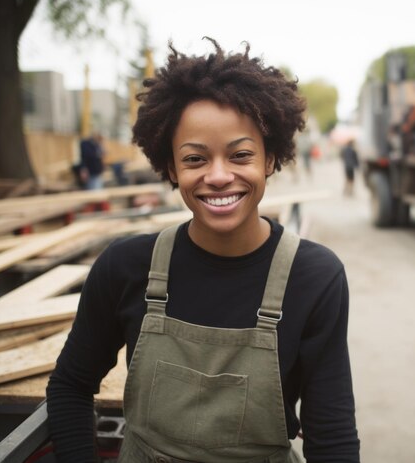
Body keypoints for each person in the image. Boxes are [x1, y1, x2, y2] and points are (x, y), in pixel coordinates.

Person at [46, 38, 360, 463]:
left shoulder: (314, 277)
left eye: (241, 155)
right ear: (171, 167)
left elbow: (332, 440)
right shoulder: (124, 268)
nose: (218, 176)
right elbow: (71, 385)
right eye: (195, 159)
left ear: (269, 159)